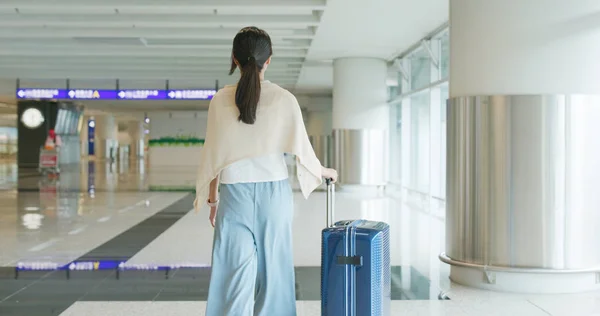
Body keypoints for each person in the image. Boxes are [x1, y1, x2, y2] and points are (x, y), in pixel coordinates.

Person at [194, 26, 338, 316]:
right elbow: (302, 150)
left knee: (232, 280)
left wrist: (213, 201)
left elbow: (214, 157)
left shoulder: (220, 101)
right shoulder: (284, 99)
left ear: (234, 59)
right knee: (275, 279)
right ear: (268, 60)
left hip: (234, 197)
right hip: (275, 197)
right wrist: (324, 171)